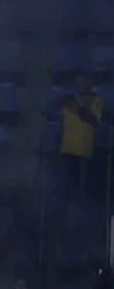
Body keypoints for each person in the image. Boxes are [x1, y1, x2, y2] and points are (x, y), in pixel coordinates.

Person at [59, 73, 104, 206]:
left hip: (85, 150)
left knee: (81, 188)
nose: (83, 83)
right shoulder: (68, 99)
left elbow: (94, 121)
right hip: (67, 149)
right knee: (65, 186)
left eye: (86, 81)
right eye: (80, 80)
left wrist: (78, 109)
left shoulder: (97, 100)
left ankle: (79, 212)